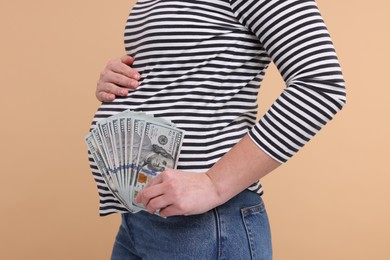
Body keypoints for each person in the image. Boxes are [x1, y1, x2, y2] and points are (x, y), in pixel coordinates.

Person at [88, 0, 346, 259]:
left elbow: (321, 84)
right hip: (141, 218)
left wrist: (214, 184)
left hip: (203, 227)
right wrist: (120, 82)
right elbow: (186, 72)